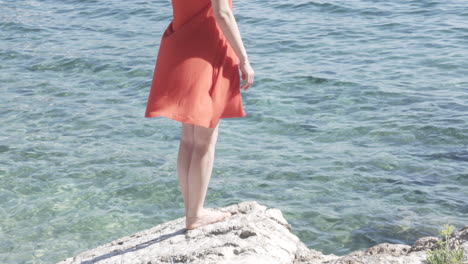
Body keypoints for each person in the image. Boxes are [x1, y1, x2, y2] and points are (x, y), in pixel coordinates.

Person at [144, 0, 255, 230]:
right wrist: (244, 58)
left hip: (181, 45)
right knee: (204, 141)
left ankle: (192, 211)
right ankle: (195, 215)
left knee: (188, 139)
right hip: (208, 50)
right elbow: (222, 13)